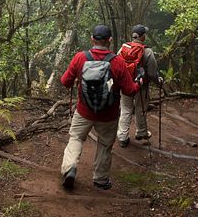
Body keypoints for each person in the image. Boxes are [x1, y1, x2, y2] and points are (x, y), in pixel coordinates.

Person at [60, 24, 140, 190]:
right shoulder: (117, 62)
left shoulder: (80, 58)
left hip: (83, 111)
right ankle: (101, 179)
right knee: (104, 144)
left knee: (76, 138)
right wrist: (138, 82)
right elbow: (130, 90)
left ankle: (70, 169)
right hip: (108, 114)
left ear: (92, 39)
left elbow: (65, 82)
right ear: (110, 41)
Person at [116, 24, 163, 148]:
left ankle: (122, 136)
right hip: (141, 86)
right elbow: (152, 73)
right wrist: (159, 83)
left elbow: (116, 65)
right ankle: (141, 132)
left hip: (125, 85)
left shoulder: (123, 49)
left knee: (125, 109)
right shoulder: (147, 51)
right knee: (140, 109)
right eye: (144, 34)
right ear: (142, 37)